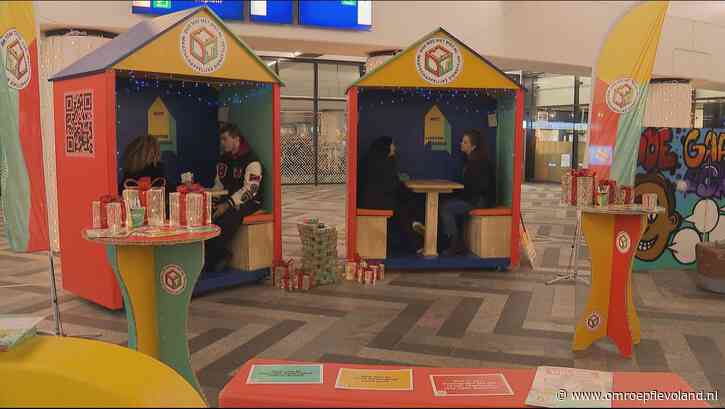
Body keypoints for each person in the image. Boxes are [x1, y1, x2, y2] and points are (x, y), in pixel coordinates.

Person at [204, 123, 264, 272]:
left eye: (225, 139)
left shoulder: (252, 161)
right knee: (207, 216)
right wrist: (207, 196)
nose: (222, 143)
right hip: (228, 199)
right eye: (221, 139)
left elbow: (250, 190)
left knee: (227, 219)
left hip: (248, 202)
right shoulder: (224, 160)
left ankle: (212, 260)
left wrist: (227, 204)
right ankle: (216, 256)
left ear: (236, 139)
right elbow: (218, 186)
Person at [359, 136, 424, 253]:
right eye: (392, 145)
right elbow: (392, 185)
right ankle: (416, 236)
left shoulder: (372, 159)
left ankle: (414, 229)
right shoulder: (383, 163)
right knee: (403, 209)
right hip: (374, 202)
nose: (394, 147)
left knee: (402, 208)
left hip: (368, 200)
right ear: (386, 147)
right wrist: (403, 186)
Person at [438, 129, 496, 256]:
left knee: (446, 208)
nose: (461, 144)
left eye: (465, 142)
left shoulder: (478, 162)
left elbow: (479, 187)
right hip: (474, 199)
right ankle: (455, 241)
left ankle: (455, 244)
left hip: (479, 202)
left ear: (473, 146)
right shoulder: (473, 160)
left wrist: (461, 195)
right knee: (447, 204)